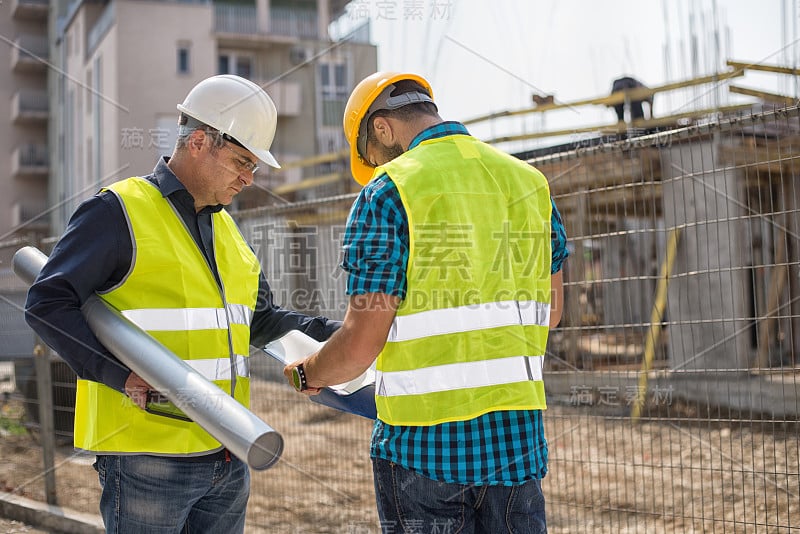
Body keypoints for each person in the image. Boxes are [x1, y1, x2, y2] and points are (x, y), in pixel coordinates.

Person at [24, 74, 339, 534]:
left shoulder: (228, 231)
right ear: (197, 142)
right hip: (148, 460)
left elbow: (261, 321)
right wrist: (117, 374)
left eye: (253, 166)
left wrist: (339, 338)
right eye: (241, 161)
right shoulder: (118, 211)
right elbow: (48, 302)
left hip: (229, 456)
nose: (249, 179)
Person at [283, 71, 569, 533]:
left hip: (423, 454)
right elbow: (551, 312)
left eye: (370, 158)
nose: (374, 167)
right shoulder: (529, 183)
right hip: (517, 447)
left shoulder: (387, 192)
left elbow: (360, 343)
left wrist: (306, 372)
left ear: (381, 128)